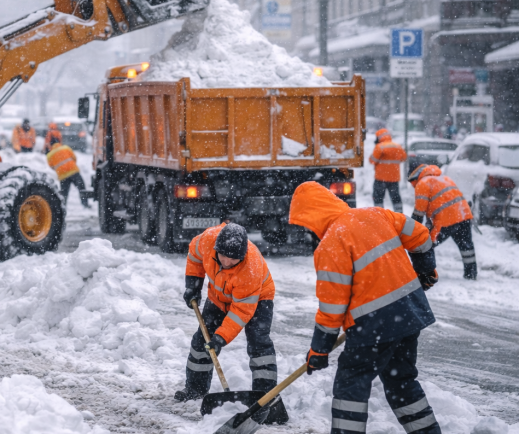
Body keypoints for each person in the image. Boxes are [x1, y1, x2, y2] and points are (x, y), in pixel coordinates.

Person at [289, 181, 441, 434]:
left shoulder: (330, 244)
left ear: (312, 216)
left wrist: (319, 349)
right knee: (400, 380)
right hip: (409, 314)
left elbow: (332, 306)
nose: (310, 230)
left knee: (351, 383)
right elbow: (421, 236)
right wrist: (425, 270)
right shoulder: (375, 214)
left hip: (373, 326)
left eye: (307, 223)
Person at [175, 223, 278, 401]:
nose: (227, 262)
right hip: (219, 297)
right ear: (216, 248)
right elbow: (194, 255)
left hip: (257, 299)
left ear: (243, 255)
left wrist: (221, 338)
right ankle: (195, 389)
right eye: (223, 256)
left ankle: (264, 398)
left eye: (233, 259)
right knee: (203, 339)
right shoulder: (207, 241)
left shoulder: (250, 269)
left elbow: (241, 311)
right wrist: (193, 286)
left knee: (258, 342)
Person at [408, 164, 476, 280]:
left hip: (446, 220)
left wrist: (411, 231)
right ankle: (471, 273)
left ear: (416, 178)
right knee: (466, 246)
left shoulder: (423, 183)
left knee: (426, 244)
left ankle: (427, 274)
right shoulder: (445, 178)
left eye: (413, 183)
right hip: (464, 215)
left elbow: (419, 212)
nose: (414, 186)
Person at [46, 138, 90, 208]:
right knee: (81, 188)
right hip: (73, 172)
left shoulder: (49, 156)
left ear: (51, 145)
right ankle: (85, 204)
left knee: (64, 194)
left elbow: (52, 166)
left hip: (62, 176)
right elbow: (74, 157)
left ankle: (62, 207)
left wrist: (60, 169)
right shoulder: (66, 148)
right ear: (59, 142)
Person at [370, 128, 405, 212]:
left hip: (380, 178)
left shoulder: (379, 147)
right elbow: (403, 157)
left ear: (379, 137)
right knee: (396, 198)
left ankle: (379, 214)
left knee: (378, 198)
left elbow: (372, 161)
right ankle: (399, 215)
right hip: (394, 178)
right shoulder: (398, 146)